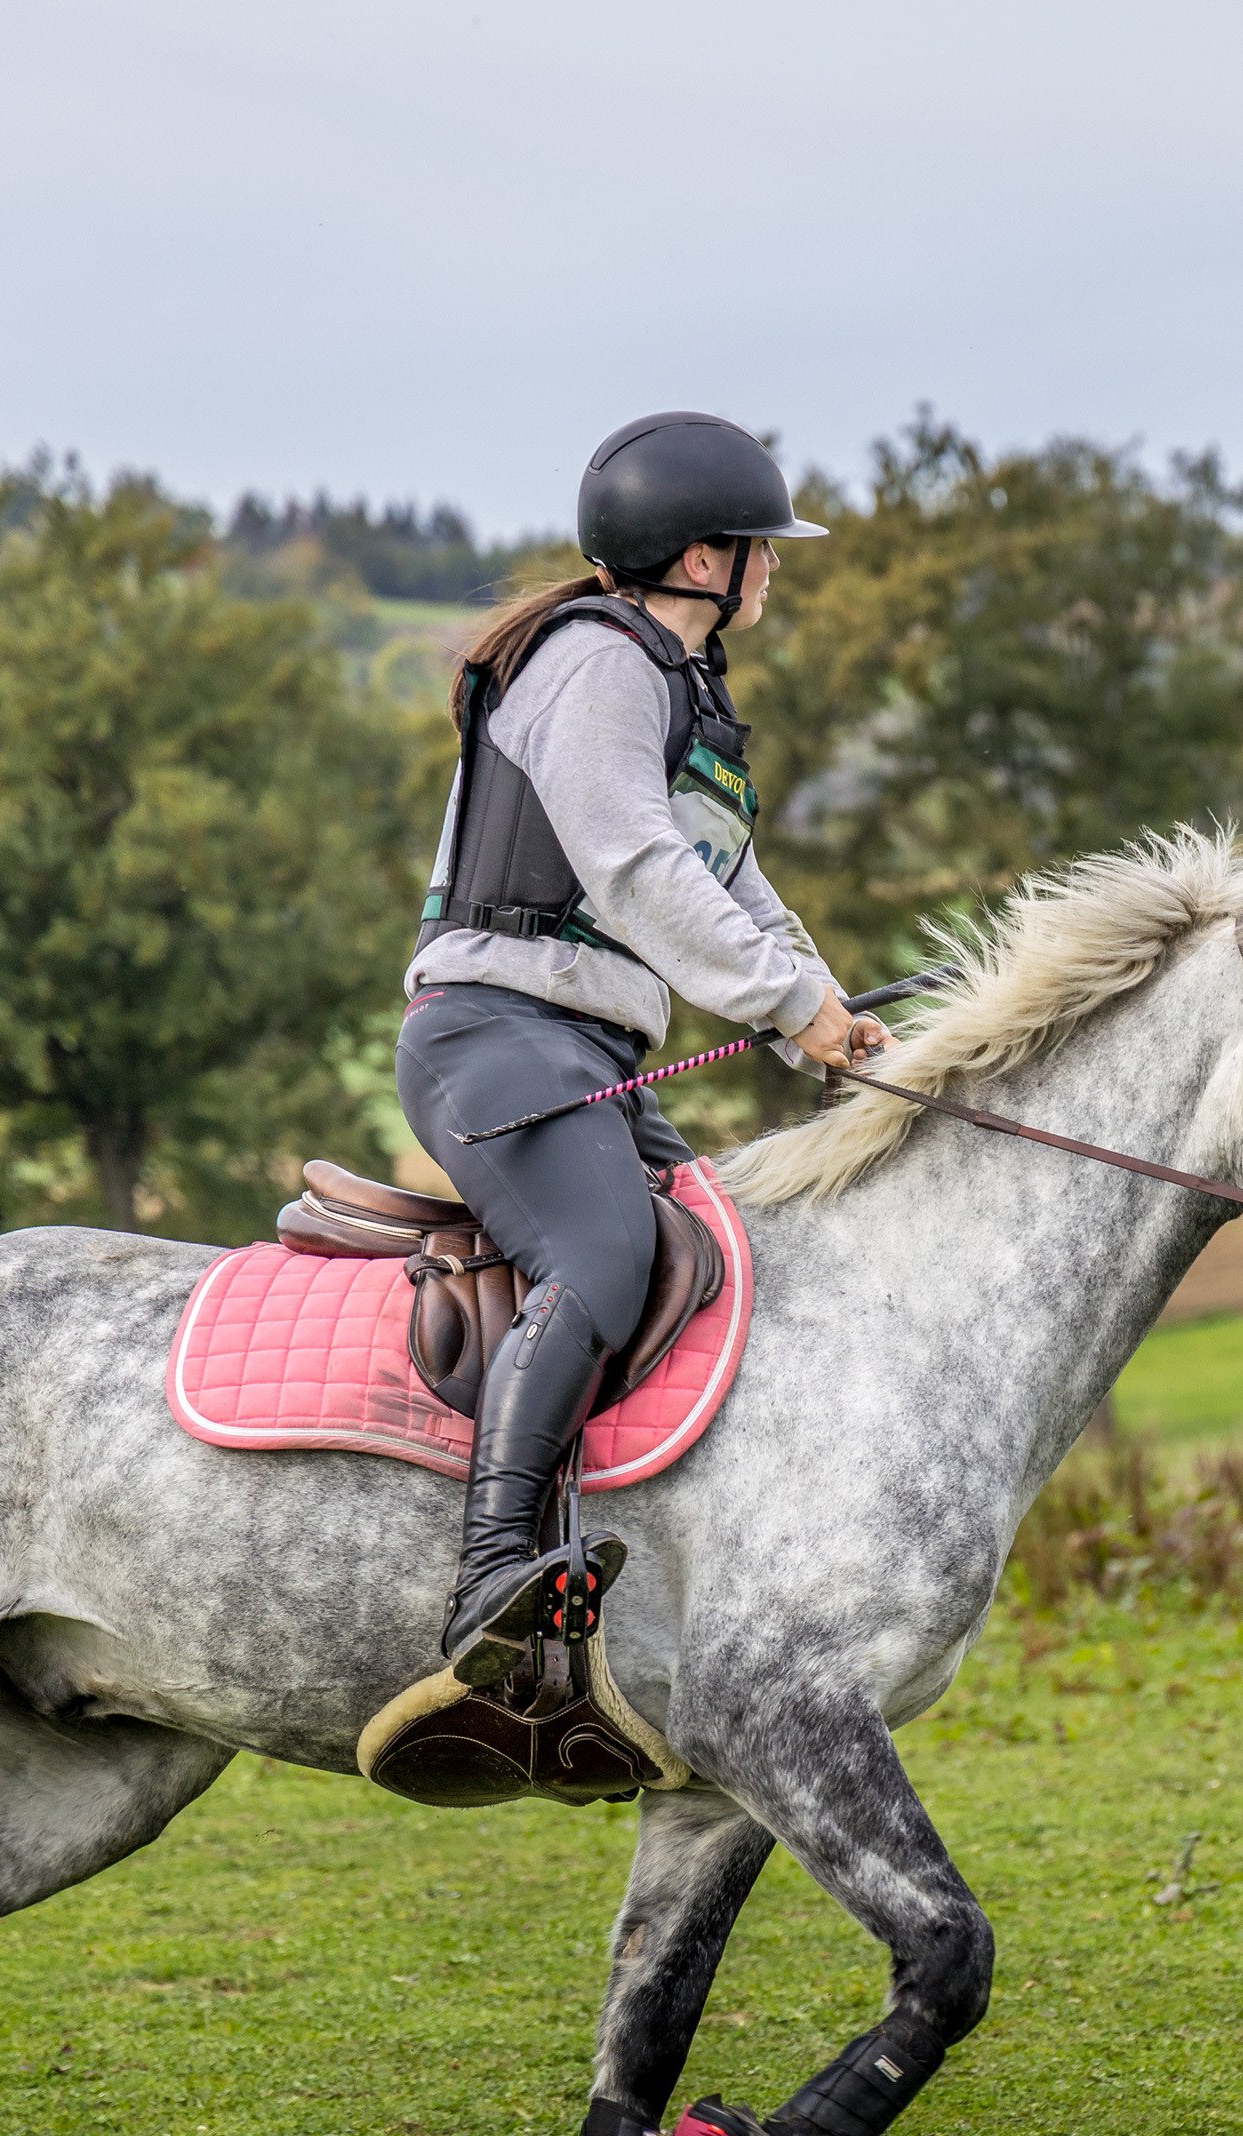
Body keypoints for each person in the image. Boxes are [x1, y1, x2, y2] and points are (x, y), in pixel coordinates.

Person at [391, 412, 888, 1725]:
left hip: (585, 1048)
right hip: (493, 1035)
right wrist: (789, 1004)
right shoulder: (597, 665)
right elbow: (634, 866)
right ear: (697, 557)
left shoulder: (684, 690)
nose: (775, 569)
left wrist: (826, 1008)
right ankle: (492, 1572)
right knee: (602, 1258)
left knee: (727, 1250)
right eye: (759, 549)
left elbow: (732, 882)